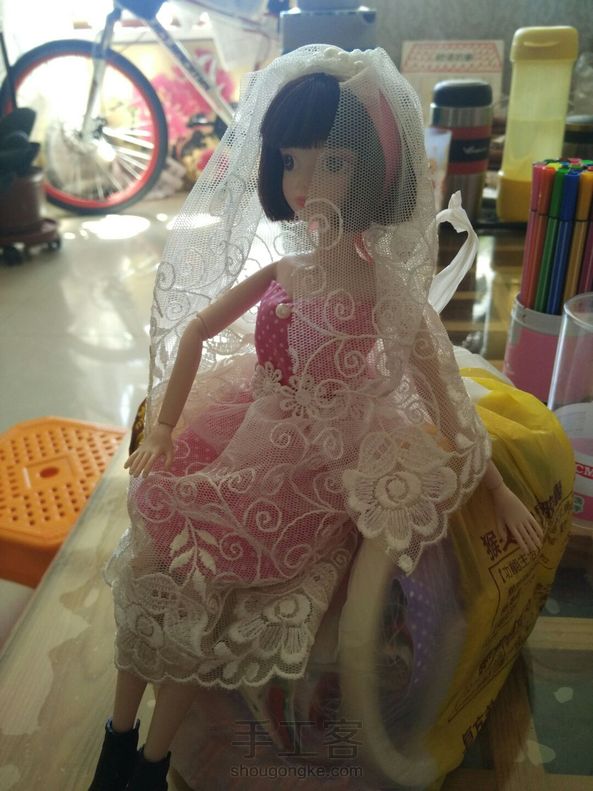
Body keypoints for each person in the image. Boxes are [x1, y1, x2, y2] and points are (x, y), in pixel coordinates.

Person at [89, 45, 542, 791]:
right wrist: (165, 426)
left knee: (206, 590)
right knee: (155, 557)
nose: (303, 183)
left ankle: (149, 760)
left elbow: (443, 395)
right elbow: (197, 330)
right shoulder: (284, 268)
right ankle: (117, 736)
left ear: (373, 173)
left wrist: (493, 485)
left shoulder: (382, 289)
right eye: (291, 161)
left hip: (314, 454)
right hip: (246, 420)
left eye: (332, 163)